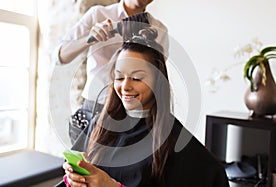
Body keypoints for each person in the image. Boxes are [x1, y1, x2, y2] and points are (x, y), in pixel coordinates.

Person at [59, 28, 229, 187]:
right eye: (119, 77)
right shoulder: (101, 125)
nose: (125, 86)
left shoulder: (174, 141)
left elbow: (214, 175)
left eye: (137, 78)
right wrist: (74, 178)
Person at [55, 0, 169, 143]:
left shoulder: (159, 30)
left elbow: (157, 76)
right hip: (94, 107)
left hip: (134, 113)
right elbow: (59, 56)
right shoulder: (98, 14)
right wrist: (89, 39)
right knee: (81, 163)